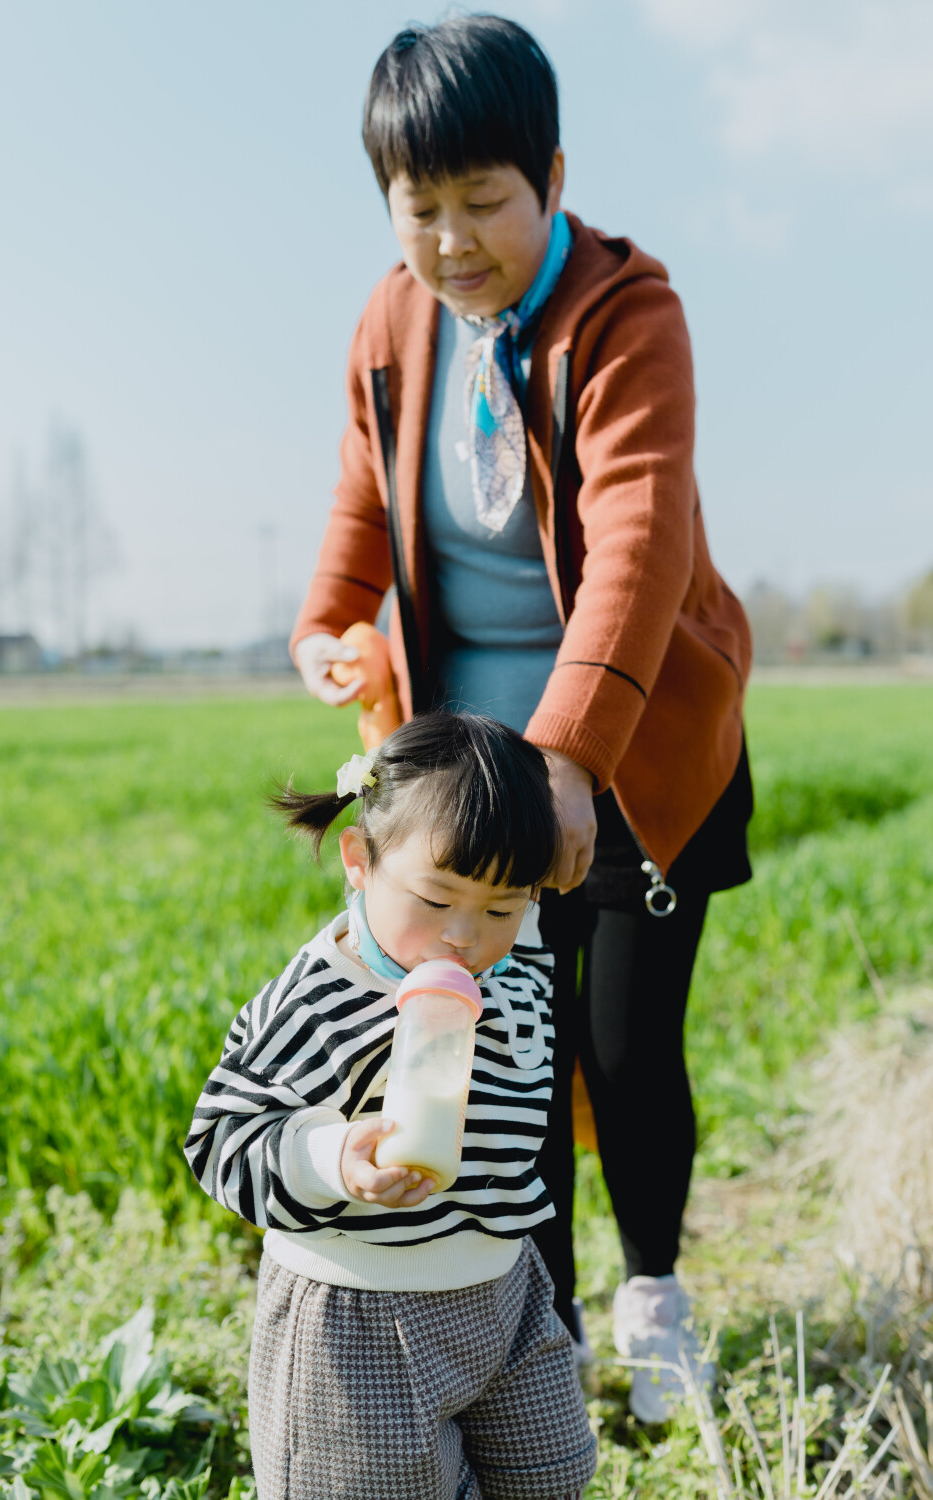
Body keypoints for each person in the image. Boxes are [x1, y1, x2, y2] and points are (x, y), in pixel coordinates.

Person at [290, 15, 753, 1422]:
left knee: (622, 1044)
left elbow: (638, 547)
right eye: (418, 208)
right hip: (470, 786)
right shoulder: (390, 317)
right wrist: (327, 618)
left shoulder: (627, 316)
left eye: (482, 201)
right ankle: (534, 1335)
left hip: (634, 755)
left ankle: (656, 1297)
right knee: (501, 1064)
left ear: (551, 176)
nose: (451, 240)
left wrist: (570, 764)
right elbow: (365, 493)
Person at [185, 712, 597, 1500]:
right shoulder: (323, 1000)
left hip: (506, 1292)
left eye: (503, 907)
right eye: (435, 900)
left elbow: (504, 891)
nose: (464, 939)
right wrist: (331, 1158)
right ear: (358, 863)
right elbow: (223, 1137)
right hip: (359, 1322)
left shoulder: (514, 954)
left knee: (552, 1478)